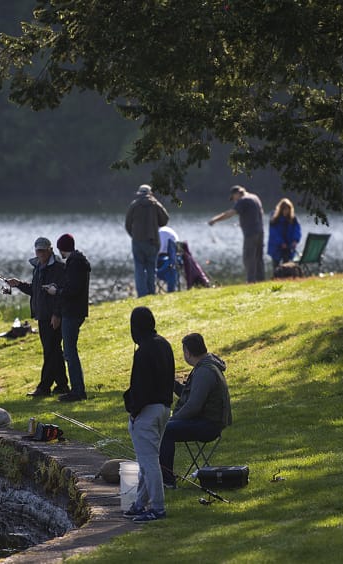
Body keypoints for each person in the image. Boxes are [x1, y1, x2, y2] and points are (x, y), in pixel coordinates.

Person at [122, 306, 175, 523]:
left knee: (149, 462)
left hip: (147, 411)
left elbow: (141, 387)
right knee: (144, 460)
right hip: (164, 409)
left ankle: (158, 507)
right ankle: (140, 504)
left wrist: (133, 411)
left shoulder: (143, 350)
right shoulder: (163, 344)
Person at [159, 333, 232, 488]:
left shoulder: (205, 371)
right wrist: (172, 383)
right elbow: (192, 393)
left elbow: (193, 406)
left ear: (187, 352)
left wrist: (172, 419)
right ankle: (164, 477)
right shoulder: (205, 366)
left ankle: (166, 480)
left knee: (165, 430)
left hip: (209, 426)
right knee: (166, 428)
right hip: (205, 421)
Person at [6, 237, 69, 397]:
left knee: (51, 351)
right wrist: (18, 284)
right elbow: (35, 290)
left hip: (52, 317)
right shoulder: (38, 267)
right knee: (53, 351)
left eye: (43, 250)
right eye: (38, 250)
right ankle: (62, 385)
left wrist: (56, 314)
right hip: (42, 315)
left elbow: (61, 293)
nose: (40, 253)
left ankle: (44, 388)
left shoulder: (58, 268)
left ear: (50, 250)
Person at [45, 233, 91, 402]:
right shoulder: (77, 262)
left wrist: (55, 291)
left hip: (72, 312)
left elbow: (73, 290)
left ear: (62, 249)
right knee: (69, 351)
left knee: (70, 352)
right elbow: (71, 286)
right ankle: (77, 389)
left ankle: (78, 390)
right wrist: (58, 287)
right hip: (75, 311)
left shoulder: (75, 264)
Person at [208, 185, 266, 282]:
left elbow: (230, 213)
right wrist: (243, 222)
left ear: (237, 193)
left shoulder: (243, 200)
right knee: (258, 258)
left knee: (248, 258)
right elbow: (259, 213)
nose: (234, 201)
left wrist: (215, 220)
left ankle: (251, 281)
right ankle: (261, 280)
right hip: (260, 232)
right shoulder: (255, 197)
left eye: (233, 198)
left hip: (250, 234)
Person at [125, 184, 169, 297]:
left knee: (139, 269)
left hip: (138, 242)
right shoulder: (155, 204)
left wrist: (134, 236)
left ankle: (142, 294)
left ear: (139, 193)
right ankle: (151, 292)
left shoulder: (134, 205)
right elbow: (165, 220)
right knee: (151, 268)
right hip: (152, 241)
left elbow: (127, 224)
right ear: (150, 193)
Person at [267, 197, 302, 267]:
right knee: (276, 265)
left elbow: (297, 231)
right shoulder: (274, 220)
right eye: (284, 209)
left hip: (289, 246)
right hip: (276, 247)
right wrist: (281, 243)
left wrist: (295, 240)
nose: (286, 211)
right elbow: (274, 234)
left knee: (287, 264)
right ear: (280, 209)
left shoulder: (293, 220)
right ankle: (276, 277)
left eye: (288, 209)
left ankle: (286, 276)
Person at [157, 225, 180, 292]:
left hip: (166, 261)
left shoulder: (160, 232)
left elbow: (159, 251)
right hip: (176, 260)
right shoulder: (169, 230)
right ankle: (172, 289)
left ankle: (148, 291)